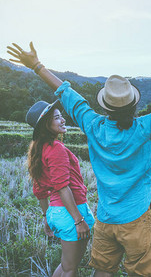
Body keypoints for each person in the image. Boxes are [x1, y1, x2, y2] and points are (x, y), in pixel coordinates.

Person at [8, 42, 151, 276]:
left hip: (106, 219)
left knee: (104, 271)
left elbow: (66, 92)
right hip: (137, 218)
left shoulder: (93, 125)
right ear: (133, 104)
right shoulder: (144, 127)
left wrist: (36, 66)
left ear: (105, 107)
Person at [25, 99, 95, 277]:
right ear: (45, 125)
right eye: (57, 118)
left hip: (58, 211)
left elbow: (39, 189)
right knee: (70, 268)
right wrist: (78, 221)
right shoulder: (55, 148)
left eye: (61, 116)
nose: (63, 120)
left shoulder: (39, 149)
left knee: (66, 266)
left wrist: (47, 217)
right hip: (70, 212)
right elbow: (63, 187)